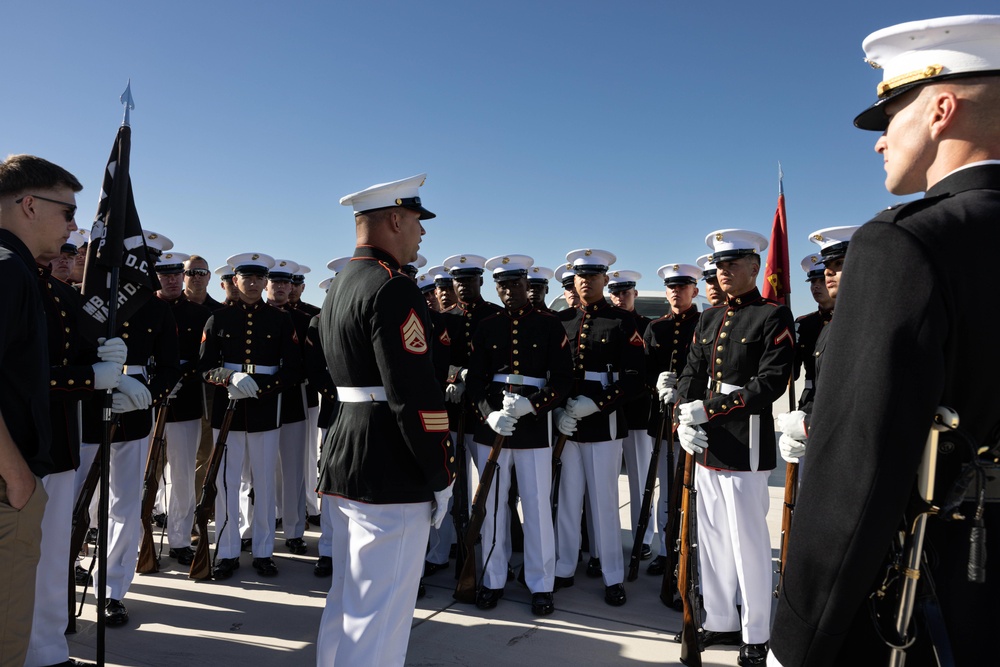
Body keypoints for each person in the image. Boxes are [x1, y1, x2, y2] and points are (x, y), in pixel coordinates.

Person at [771, 15, 1000, 667]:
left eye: (890, 115)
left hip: (942, 591)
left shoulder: (905, 243)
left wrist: (801, 634)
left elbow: (857, 470)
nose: (878, 143)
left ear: (941, 109)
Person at [316, 174, 455, 667]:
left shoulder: (341, 285)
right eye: (417, 222)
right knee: (381, 613)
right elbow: (413, 395)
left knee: (348, 600)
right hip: (390, 466)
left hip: (346, 454)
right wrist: (439, 472)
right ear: (395, 219)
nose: (422, 233)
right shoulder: (393, 287)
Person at [675, 229, 794, 666]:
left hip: (745, 442)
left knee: (748, 542)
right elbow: (690, 371)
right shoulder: (709, 318)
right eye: (719, 265)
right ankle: (721, 618)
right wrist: (682, 415)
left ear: (754, 267)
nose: (723, 272)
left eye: (733, 264)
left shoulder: (772, 316)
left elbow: (770, 382)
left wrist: (710, 408)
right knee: (712, 537)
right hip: (706, 442)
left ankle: (756, 631)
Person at [0, 154, 80, 666]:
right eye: (67, 211)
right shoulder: (10, 272)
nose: (72, 224)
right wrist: (17, 475)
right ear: (29, 204)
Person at [78, 229, 181, 627]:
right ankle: (73, 560)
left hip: (135, 411)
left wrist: (149, 394)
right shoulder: (88, 301)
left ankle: (112, 589)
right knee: (77, 498)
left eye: (148, 261)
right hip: (87, 407)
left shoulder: (158, 311)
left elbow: (170, 367)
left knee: (122, 504)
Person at [465, 254, 573, 615]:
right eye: (502, 285)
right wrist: (488, 414)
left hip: (533, 428)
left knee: (537, 505)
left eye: (514, 284)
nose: (508, 291)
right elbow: (475, 380)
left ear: (528, 285)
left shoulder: (549, 324)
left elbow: (562, 380)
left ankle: (541, 583)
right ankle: (493, 579)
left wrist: (535, 405)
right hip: (493, 427)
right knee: (492, 506)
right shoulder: (487, 325)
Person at [200, 252, 301, 580]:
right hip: (227, 409)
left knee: (264, 482)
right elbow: (204, 367)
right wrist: (228, 378)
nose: (255, 284)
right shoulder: (218, 319)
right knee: (228, 483)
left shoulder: (280, 320)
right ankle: (227, 551)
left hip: (265, 408)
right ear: (235, 281)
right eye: (248, 278)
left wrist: (262, 387)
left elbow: (293, 369)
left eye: (260, 279)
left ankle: (263, 551)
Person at [554, 248, 645, 607]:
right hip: (568, 424)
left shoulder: (622, 322)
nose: (585, 282)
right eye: (580, 276)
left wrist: (599, 402)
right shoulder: (562, 321)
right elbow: (556, 373)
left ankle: (612, 574)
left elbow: (637, 378)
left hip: (604, 424)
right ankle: (563, 566)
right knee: (567, 500)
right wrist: (559, 409)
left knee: (604, 504)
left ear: (605, 280)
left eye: (593, 276)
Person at [643, 262, 701, 578]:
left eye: (683, 287)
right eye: (672, 287)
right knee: (667, 489)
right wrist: (658, 383)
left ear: (694, 290)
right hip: (664, 419)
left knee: (691, 489)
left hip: (693, 419)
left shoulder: (704, 322)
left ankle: (689, 548)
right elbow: (646, 368)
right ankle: (666, 551)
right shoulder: (657, 328)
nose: (676, 292)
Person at [155, 250, 212, 566]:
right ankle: (139, 540)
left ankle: (179, 539)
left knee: (182, 475)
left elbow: (205, 358)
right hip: (146, 403)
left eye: (177, 274)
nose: (173, 280)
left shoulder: (198, 314)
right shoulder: (143, 309)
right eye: (165, 275)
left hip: (187, 401)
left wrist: (180, 375)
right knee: (143, 475)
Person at [607, 269, 655, 561]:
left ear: (634, 294)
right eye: (615, 292)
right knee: (605, 481)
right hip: (607, 413)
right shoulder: (606, 323)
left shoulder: (646, 326)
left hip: (636, 413)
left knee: (639, 479)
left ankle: (643, 537)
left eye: (625, 292)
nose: (619, 298)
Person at [265, 259, 312, 555]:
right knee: (261, 472)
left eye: (287, 283)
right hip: (261, 402)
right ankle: (262, 526)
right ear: (267, 285)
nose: (282, 288)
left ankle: (294, 531)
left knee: (294, 469)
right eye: (276, 282)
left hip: (294, 398)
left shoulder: (305, 319)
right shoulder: (256, 316)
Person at [791, 253, 833, 411]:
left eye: (822, 280)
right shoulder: (803, 324)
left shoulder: (850, 319)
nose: (816, 286)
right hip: (809, 402)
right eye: (813, 281)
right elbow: (791, 374)